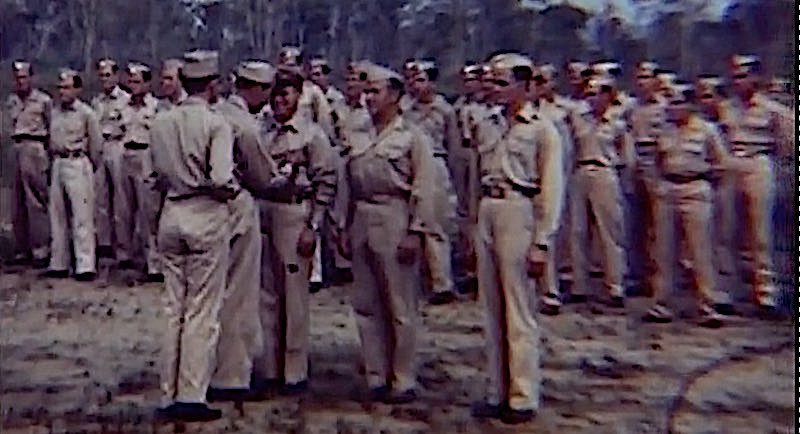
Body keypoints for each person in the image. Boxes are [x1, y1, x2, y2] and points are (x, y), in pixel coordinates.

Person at [337, 62, 440, 404]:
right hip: (362, 216)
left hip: (395, 215)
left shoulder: (411, 137)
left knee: (399, 303)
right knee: (366, 303)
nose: (367, 99)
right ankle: (375, 373)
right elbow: (346, 183)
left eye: (375, 92)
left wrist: (416, 231)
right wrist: (343, 225)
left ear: (395, 95)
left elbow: (424, 188)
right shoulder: (357, 133)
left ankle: (403, 376)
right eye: (364, 92)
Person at [470, 52, 563, 425]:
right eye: (491, 81)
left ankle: (522, 395)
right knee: (491, 308)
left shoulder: (542, 129)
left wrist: (542, 240)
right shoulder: (487, 123)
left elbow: (551, 188)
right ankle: (497, 390)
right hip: (489, 208)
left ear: (524, 86)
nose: (493, 88)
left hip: (519, 210)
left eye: (501, 82)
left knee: (518, 308)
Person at [150, 50, 237, 422]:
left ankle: (167, 393)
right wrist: (231, 189)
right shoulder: (216, 124)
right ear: (213, 85)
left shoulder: (161, 122)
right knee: (202, 309)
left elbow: (155, 174)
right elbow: (220, 178)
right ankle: (191, 394)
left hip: (171, 211)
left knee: (174, 308)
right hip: (204, 212)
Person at [250, 69, 337, 396]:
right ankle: (271, 367)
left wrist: (312, 226)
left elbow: (326, 183)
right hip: (266, 211)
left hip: (294, 212)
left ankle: (295, 370)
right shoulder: (262, 132)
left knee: (294, 295)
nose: (278, 102)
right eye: (274, 96)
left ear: (298, 96)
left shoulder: (311, 135)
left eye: (285, 95)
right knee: (268, 294)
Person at [208, 60, 280, 401]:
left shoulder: (212, 113)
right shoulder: (244, 126)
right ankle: (232, 375)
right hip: (236, 206)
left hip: (203, 211)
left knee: (209, 296)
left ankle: (204, 368)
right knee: (239, 295)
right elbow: (263, 178)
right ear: (258, 90)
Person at [643, 82, 733, 327]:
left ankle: (708, 305)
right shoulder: (664, 131)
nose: (673, 107)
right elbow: (656, 161)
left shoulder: (706, 130)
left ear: (690, 105)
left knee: (700, 251)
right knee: (664, 251)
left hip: (696, 189)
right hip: (668, 190)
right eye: (671, 102)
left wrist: (708, 183)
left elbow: (722, 163)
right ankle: (661, 304)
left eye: (678, 102)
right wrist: (659, 185)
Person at [718, 54, 793, 314]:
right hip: (732, 163)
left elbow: (786, 144)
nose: (739, 81)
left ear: (756, 78)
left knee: (760, 232)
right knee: (728, 231)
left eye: (744, 76)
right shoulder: (726, 108)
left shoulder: (773, 110)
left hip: (759, 162)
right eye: (736, 76)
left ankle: (766, 293)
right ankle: (728, 290)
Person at [567, 76, 633, 308]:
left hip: (605, 171)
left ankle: (615, 284)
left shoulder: (617, 124)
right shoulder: (578, 118)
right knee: (578, 231)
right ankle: (579, 285)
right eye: (589, 93)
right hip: (582, 170)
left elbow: (627, 157)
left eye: (597, 93)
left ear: (608, 96)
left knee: (610, 231)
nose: (592, 98)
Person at [404, 59, 459, 305]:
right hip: (409, 163)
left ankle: (441, 282)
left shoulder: (445, 110)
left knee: (435, 223)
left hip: (436, 164)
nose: (415, 85)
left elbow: (454, 145)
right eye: (412, 80)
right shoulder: (406, 109)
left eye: (421, 80)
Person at [46, 69, 102, 281]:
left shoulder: (86, 113)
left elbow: (96, 144)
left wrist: (88, 164)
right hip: (58, 162)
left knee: (82, 215)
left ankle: (85, 264)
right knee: (57, 214)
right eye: (60, 87)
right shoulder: (54, 112)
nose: (63, 92)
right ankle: (59, 262)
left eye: (68, 87)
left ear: (78, 89)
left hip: (77, 161)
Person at [530, 64, 573, 315]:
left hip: (546, 182)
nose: (537, 85)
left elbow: (563, 154)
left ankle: (550, 290)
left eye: (542, 81)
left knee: (546, 238)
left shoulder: (556, 115)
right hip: (523, 186)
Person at [626, 61, 667, 297]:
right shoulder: (632, 107)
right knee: (636, 225)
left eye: (646, 77)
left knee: (659, 226)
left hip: (656, 162)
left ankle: (659, 277)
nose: (642, 82)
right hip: (635, 163)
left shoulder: (665, 107)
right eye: (639, 77)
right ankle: (638, 276)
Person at [6, 60, 52, 268]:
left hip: (35, 147)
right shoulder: (12, 101)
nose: (20, 81)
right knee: (17, 203)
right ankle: (21, 248)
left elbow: (51, 127)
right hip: (16, 147)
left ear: (32, 78)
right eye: (17, 78)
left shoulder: (43, 101)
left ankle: (41, 249)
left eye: (24, 77)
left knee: (36, 202)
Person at [118, 63, 162, 280]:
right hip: (126, 153)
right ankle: (126, 255)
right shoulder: (123, 106)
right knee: (124, 210)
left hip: (145, 155)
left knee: (148, 212)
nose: (133, 86)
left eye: (137, 82)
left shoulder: (155, 107)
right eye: (130, 82)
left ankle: (153, 262)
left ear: (147, 83)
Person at [91, 59, 130, 262]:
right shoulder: (96, 102)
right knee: (101, 198)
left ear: (116, 76)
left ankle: (123, 247)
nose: (104, 79)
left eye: (108, 75)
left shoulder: (125, 99)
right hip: (100, 147)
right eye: (101, 75)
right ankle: (104, 244)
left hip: (117, 145)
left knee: (120, 199)